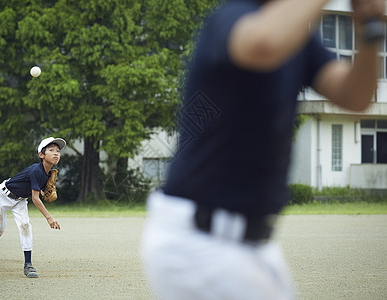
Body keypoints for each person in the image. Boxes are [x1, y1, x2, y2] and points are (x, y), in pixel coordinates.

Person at [141, 0, 384, 299]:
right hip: (201, 241)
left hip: (252, 244)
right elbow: (263, 43)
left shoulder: (299, 41)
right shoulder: (233, 16)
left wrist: (368, 31)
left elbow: (355, 97)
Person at [0, 137, 65, 278]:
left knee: (25, 225)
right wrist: (49, 218)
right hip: (2, 195)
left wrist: (45, 192)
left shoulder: (48, 173)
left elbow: (39, 192)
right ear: (41, 155)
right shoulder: (36, 170)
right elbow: (35, 199)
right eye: (51, 150)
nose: (56, 154)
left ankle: (28, 265)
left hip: (20, 200)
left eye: (58, 151)